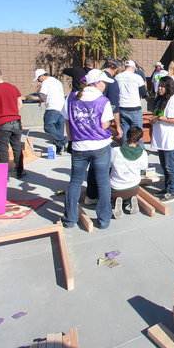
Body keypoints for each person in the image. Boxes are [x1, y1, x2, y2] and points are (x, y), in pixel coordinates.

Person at [61, 69, 115, 229]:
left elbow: (67, 120)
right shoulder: (103, 101)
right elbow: (105, 124)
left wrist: (70, 140)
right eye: (103, 82)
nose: (105, 85)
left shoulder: (72, 98)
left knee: (75, 181)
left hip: (79, 146)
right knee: (103, 182)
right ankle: (104, 220)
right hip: (100, 146)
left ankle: (70, 219)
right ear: (97, 83)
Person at [0, 68, 26, 178]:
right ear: (1, 75)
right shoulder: (12, 88)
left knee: (2, 149)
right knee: (16, 146)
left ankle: (3, 176)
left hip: (1, 123)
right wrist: (13, 113)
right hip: (15, 121)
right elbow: (20, 104)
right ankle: (20, 171)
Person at [150, 76, 174, 202]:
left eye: (162, 86)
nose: (159, 88)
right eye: (159, 86)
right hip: (160, 138)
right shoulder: (160, 100)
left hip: (169, 139)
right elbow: (158, 115)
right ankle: (167, 187)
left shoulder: (173, 100)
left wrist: (161, 118)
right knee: (164, 166)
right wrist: (154, 120)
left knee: (170, 166)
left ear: (168, 87)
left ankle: (173, 191)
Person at [109, 126, 147, 218]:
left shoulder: (115, 151)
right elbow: (142, 171)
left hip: (115, 189)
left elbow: (108, 168)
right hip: (134, 188)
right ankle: (129, 201)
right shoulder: (143, 154)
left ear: (126, 136)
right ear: (140, 139)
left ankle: (116, 201)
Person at [34, 68, 67, 155]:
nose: (39, 81)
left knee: (48, 127)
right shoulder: (56, 81)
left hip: (52, 107)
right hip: (62, 107)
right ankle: (59, 147)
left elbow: (43, 95)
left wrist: (39, 96)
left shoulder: (46, 82)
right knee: (59, 128)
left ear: (42, 76)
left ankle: (64, 140)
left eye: (38, 79)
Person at [115, 60, 146, 146]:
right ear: (133, 67)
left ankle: (125, 149)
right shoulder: (137, 77)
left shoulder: (117, 77)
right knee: (138, 131)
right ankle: (140, 150)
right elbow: (143, 92)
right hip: (135, 106)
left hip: (122, 106)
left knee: (125, 129)